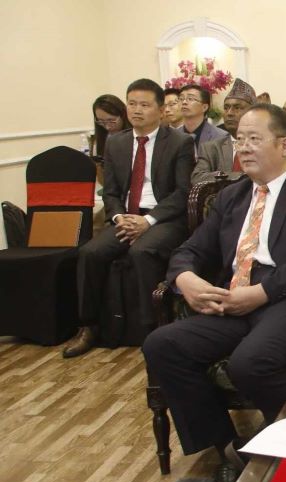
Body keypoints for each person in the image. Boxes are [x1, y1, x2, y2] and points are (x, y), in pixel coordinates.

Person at [142, 103, 286, 482]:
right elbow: (188, 250)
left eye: (254, 139)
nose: (244, 147)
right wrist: (186, 279)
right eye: (239, 139)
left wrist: (263, 292)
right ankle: (230, 453)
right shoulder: (231, 197)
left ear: (284, 145)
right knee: (162, 345)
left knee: (251, 363)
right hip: (233, 299)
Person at [59, 79, 194, 358]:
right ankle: (89, 326)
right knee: (90, 253)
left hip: (163, 218)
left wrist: (148, 221)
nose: (136, 110)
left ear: (161, 110)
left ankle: (151, 328)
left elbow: (182, 193)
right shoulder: (116, 142)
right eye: (132, 104)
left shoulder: (180, 142)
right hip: (126, 216)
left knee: (141, 252)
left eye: (144, 104)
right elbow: (110, 192)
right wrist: (120, 217)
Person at [191, 79, 257, 184]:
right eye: (226, 108)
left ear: (252, 112)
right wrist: (237, 176)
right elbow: (197, 178)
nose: (229, 113)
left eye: (237, 108)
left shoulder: (263, 145)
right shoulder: (212, 148)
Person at [178, 84, 227, 153]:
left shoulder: (220, 137)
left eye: (190, 99)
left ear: (204, 107)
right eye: (181, 99)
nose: (184, 102)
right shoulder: (172, 137)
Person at [91, 94, 132, 158]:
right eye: (101, 121)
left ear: (123, 115)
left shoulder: (136, 137)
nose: (107, 127)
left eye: (111, 120)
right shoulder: (105, 136)